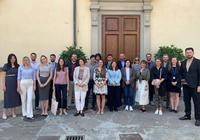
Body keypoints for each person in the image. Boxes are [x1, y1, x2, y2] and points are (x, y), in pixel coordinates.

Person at [179, 48, 200, 127]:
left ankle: (198, 119)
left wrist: (199, 85)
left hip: (195, 86)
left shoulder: (198, 62)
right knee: (186, 101)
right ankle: (187, 115)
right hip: (186, 86)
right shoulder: (183, 62)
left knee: (197, 102)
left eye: (190, 52)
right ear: (185, 53)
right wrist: (182, 80)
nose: (188, 54)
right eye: (187, 52)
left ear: (193, 53)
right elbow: (181, 73)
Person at [2, 54, 21, 119]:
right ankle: (4, 113)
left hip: (15, 83)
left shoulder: (18, 66)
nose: (13, 59)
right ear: (9, 59)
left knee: (14, 98)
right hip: (8, 83)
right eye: (11, 58)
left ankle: (13, 112)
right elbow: (3, 76)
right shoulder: (6, 65)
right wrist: (3, 85)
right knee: (7, 98)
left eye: (14, 58)